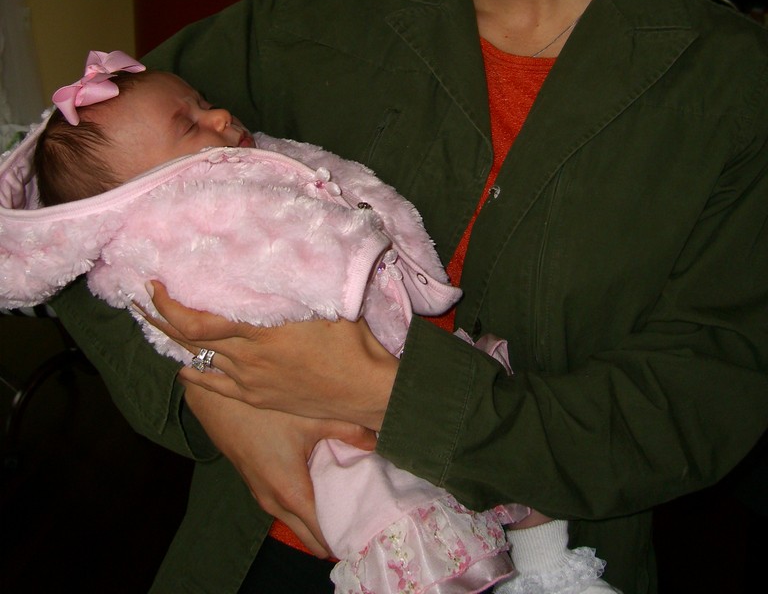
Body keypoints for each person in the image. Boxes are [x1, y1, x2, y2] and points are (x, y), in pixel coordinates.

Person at [18, 0, 768, 594]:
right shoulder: (312, 12)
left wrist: (390, 394)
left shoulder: (727, 89)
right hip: (261, 559)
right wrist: (208, 394)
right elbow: (60, 195)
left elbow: (695, 405)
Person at [0, 52, 616, 594]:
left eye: (205, 103)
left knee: (504, 444)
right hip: (328, 438)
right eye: (189, 124)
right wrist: (208, 384)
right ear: (134, 195)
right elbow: (209, 301)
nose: (221, 116)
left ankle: (551, 574)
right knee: (398, 518)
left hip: (403, 372)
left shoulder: (252, 163)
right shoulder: (169, 239)